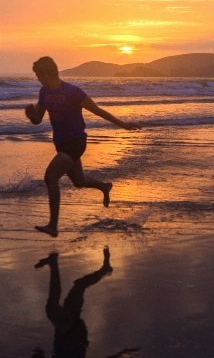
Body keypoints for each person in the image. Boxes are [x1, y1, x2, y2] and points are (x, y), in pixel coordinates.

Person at [24, 56, 141, 237]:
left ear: (47, 74)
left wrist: (123, 124)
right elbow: (37, 120)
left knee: (50, 177)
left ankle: (53, 225)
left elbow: (98, 111)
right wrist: (30, 115)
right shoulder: (44, 92)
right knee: (78, 181)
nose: (37, 78)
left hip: (76, 142)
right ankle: (104, 187)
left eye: (39, 75)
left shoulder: (73, 92)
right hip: (61, 144)